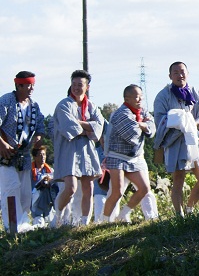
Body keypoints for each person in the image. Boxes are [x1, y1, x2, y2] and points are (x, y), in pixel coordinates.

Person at [153, 62, 199, 216]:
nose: (180, 75)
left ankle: (190, 209)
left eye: (182, 71)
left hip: (193, 139)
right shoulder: (163, 95)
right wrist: (176, 120)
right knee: (178, 180)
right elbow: (159, 118)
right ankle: (180, 215)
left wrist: (196, 123)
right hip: (175, 140)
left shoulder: (194, 92)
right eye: (176, 72)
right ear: (170, 76)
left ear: (187, 73)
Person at [52, 69, 105, 227]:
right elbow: (69, 127)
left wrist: (82, 124)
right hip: (68, 150)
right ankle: (58, 215)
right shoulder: (64, 105)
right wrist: (89, 127)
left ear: (87, 86)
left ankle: (84, 221)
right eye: (74, 84)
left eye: (80, 84)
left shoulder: (92, 107)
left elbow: (99, 126)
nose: (76, 87)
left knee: (88, 186)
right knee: (71, 187)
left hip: (87, 151)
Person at [101, 85, 156, 222]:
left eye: (141, 96)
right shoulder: (121, 113)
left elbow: (152, 125)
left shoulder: (142, 111)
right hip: (117, 156)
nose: (140, 99)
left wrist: (143, 126)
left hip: (135, 158)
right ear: (127, 98)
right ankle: (105, 219)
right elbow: (132, 135)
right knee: (117, 191)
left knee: (144, 188)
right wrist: (143, 125)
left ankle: (124, 213)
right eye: (137, 97)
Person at [0, 71, 45, 232]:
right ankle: (12, 228)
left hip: (24, 156)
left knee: (25, 194)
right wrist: (3, 144)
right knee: (10, 190)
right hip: (5, 155)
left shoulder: (34, 105)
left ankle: (24, 224)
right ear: (18, 85)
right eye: (28, 84)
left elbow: (40, 126)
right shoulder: (6, 101)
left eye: (33, 84)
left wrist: (39, 140)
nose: (31, 88)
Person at [30, 145, 58, 227]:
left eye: (44, 154)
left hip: (48, 196)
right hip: (35, 196)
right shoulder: (30, 171)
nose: (43, 157)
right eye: (40, 155)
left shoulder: (50, 170)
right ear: (35, 157)